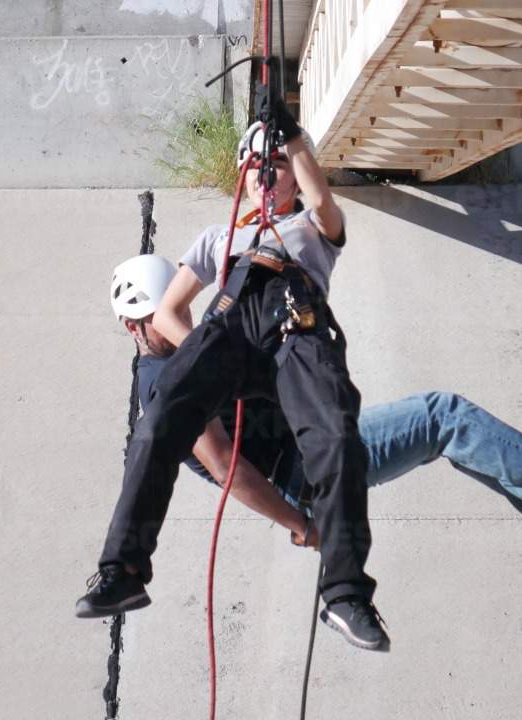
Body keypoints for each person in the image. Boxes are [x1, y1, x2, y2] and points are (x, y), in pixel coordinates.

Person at [87, 253, 522, 651]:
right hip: (304, 476)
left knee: (440, 430)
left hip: (311, 455)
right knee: (442, 416)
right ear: (134, 325)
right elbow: (226, 467)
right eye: (163, 315)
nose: (181, 322)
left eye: (183, 309)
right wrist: (302, 523)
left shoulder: (194, 352)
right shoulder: (162, 382)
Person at [77, 100, 390, 651]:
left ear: (294, 173)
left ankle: (345, 594)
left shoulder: (312, 227)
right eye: (255, 167)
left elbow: (322, 198)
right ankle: (124, 570)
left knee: (336, 438)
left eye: (277, 168)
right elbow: (170, 313)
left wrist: (292, 138)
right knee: (161, 419)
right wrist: (200, 355)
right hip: (230, 324)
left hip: (296, 319)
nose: (265, 177)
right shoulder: (215, 239)